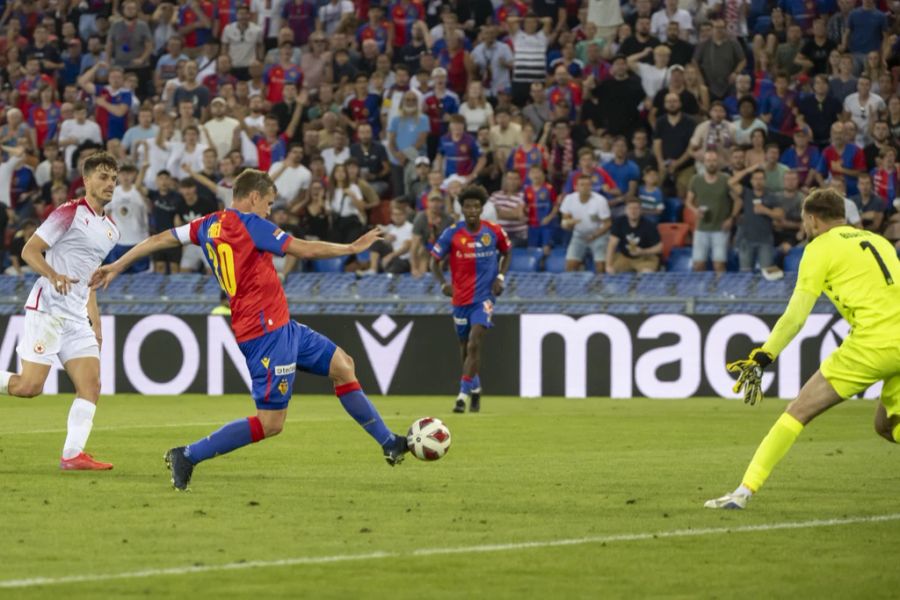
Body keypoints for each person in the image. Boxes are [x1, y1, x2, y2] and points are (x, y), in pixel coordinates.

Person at [91, 169, 408, 491]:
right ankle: (187, 455)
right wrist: (352, 248)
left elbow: (159, 239)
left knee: (343, 365)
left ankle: (389, 442)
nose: (270, 211)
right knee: (271, 424)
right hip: (265, 333)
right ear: (253, 197)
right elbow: (304, 249)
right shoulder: (251, 224)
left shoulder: (208, 224)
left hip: (281, 326)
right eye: (268, 203)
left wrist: (117, 265)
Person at [705, 188, 900, 509]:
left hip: (872, 344)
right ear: (844, 215)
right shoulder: (878, 240)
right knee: (886, 426)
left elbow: (796, 316)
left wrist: (764, 355)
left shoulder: (818, 248)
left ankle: (742, 492)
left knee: (797, 412)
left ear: (811, 219)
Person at [0, 152, 120, 470]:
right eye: (104, 177)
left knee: (91, 385)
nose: (110, 184)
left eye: (114, 179)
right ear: (87, 180)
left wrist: (95, 322)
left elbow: (90, 278)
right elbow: (29, 250)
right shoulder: (68, 212)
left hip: (76, 316)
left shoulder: (111, 230)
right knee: (29, 387)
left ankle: (72, 455)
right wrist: (53, 275)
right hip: (49, 309)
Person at [430, 185, 511, 414]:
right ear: (462, 209)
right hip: (460, 300)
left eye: (476, 206)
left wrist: (500, 277)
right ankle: (475, 389)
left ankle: (461, 396)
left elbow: (507, 252)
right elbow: (433, 261)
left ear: (482, 208)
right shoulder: (452, 233)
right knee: (465, 348)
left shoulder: (493, 231)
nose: (472, 210)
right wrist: (444, 283)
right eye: (468, 206)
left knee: (475, 342)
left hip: (484, 298)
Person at [687, 151, 740, 273]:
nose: (711, 164)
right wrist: (695, 211)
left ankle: (720, 291)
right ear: (704, 163)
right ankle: (700, 291)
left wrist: (731, 218)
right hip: (701, 228)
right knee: (698, 265)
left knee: (719, 265)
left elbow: (738, 200)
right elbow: (688, 202)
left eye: (714, 161)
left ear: (718, 162)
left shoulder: (726, 179)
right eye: (708, 161)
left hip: (720, 229)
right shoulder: (696, 180)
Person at [560, 174, 612, 273]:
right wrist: (568, 223)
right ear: (576, 187)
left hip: (598, 235)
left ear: (591, 187)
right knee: (569, 266)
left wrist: (594, 235)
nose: (585, 187)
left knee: (601, 267)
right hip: (579, 235)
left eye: (588, 185)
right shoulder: (569, 199)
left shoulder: (600, 201)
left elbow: (608, 223)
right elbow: (565, 220)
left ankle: (599, 286)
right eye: (582, 185)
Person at [103, 163, 149, 273]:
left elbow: (150, 210)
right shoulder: (112, 192)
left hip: (139, 242)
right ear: (117, 176)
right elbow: (104, 214)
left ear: (134, 175)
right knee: (118, 279)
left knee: (141, 280)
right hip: (119, 243)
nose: (125, 177)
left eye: (129, 174)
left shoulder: (140, 191)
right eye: (122, 174)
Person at [605, 197, 662, 274]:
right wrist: (608, 265)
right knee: (611, 273)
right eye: (630, 208)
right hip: (624, 257)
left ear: (641, 210)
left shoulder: (649, 225)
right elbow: (612, 244)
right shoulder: (619, 222)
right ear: (625, 210)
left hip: (645, 258)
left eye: (636, 208)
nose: (633, 211)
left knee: (647, 274)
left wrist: (643, 251)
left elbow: (659, 248)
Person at [363, 204, 413, 275]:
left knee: (392, 270)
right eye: (395, 214)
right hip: (392, 257)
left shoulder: (410, 228)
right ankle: (373, 269)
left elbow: (407, 247)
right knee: (376, 242)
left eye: (400, 214)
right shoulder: (392, 229)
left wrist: (390, 256)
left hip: (404, 259)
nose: (397, 217)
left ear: (405, 215)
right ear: (392, 216)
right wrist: (387, 240)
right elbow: (385, 243)